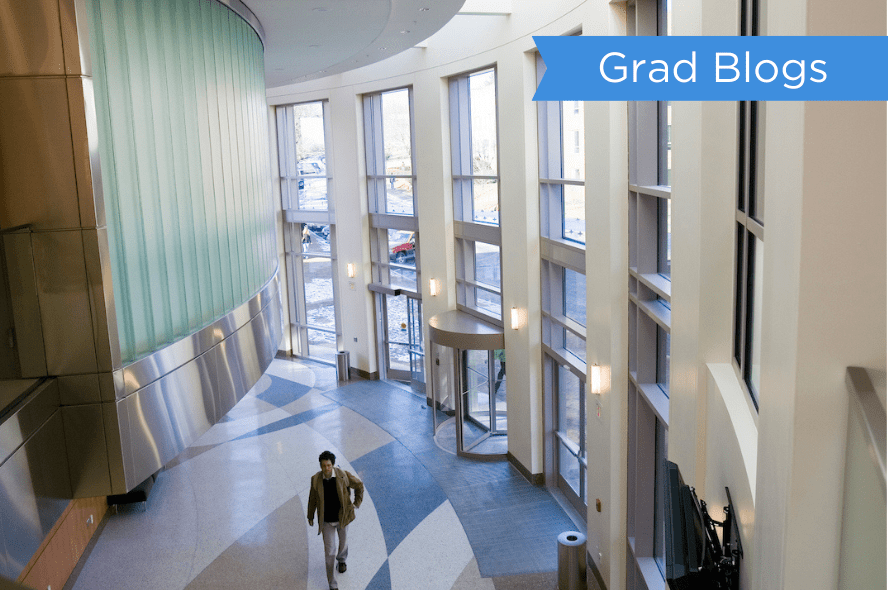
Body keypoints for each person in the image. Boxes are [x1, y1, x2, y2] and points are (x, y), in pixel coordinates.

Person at [307, 450, 364, 590]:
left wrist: (356, 503)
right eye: (324, 465)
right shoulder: (316, 479)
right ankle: (332, 584)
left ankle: (342, 560)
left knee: (343, 544)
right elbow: (312, 499)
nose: (326, 468)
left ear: (332, 465)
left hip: (342, 518)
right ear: (320, 466)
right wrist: (310, 515)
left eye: (329, 465)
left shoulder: (342, 475)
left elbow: (359, 485)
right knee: (329, 552)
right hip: (326, 521)